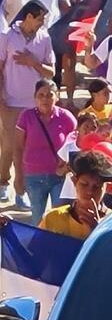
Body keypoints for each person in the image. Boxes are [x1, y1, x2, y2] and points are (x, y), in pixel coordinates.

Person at [0, 0, 55, 206]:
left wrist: (33, 62)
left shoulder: (45, 38)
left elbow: (51, 72)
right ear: (29, 17)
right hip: (10, 102)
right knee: (8, 146)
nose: (42, 22)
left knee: (25, 149)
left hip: (34, 105)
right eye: (40, 18)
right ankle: (3, 182)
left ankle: (21, 190)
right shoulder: (7, 36)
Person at [14, 79, 76, 224]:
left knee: (59, 219)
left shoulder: (66, 117)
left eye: (49, 95)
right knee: (38, 219)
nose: (45, 99)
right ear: (35, 97)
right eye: (40, 95)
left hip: (59, 176)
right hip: (33, 177)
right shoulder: (26, 117)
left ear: (57, 96)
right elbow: (17, 148)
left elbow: (76, 145)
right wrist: (18, 176)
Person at [39, 150, 112, 240]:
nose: (90, 191)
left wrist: (97, 231)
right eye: (84, 184)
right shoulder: (53, 218)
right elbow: (36, 247)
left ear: (107, 187)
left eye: (96, 186)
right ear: (74, 181)